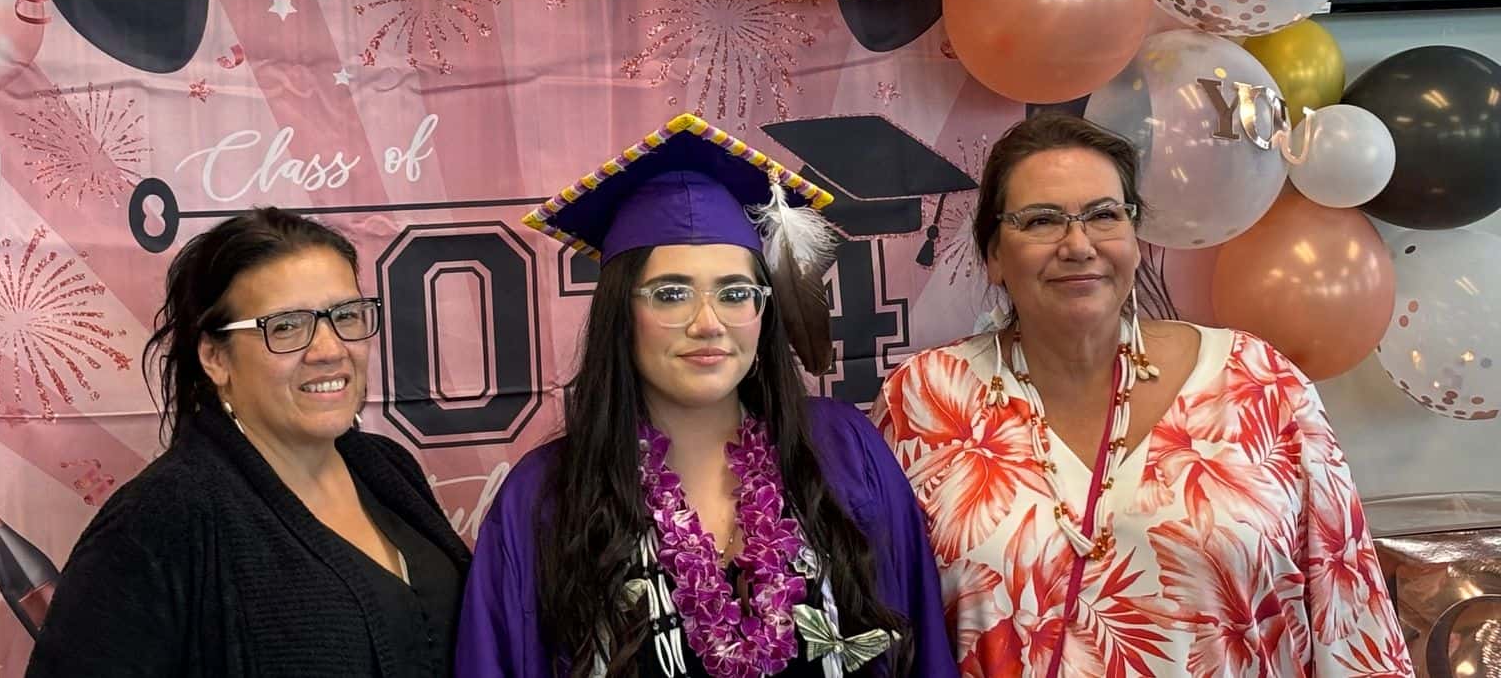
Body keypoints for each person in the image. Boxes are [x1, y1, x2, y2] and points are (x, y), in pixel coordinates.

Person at [873, 113, 1412, 677]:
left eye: (1105, 215)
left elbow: (1350, 619)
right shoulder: (923, 399)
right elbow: (886, 624)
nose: (1078, 245)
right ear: (994, 255)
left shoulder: (1257, 381)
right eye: (1040, 221)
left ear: (1134, 236)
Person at [457, 113, 953, 677]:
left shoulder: (843, 451)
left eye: (735, 292)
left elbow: (922, 649)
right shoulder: (543, 499)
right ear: (622, 313)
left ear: (762, 313)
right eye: (671, 294)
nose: (708, 323)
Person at [27, 208, 471, 677]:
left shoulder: (386, 468)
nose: (329, 349)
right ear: (215, 358)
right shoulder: (163, 517)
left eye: (345, 315)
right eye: (285, 326)